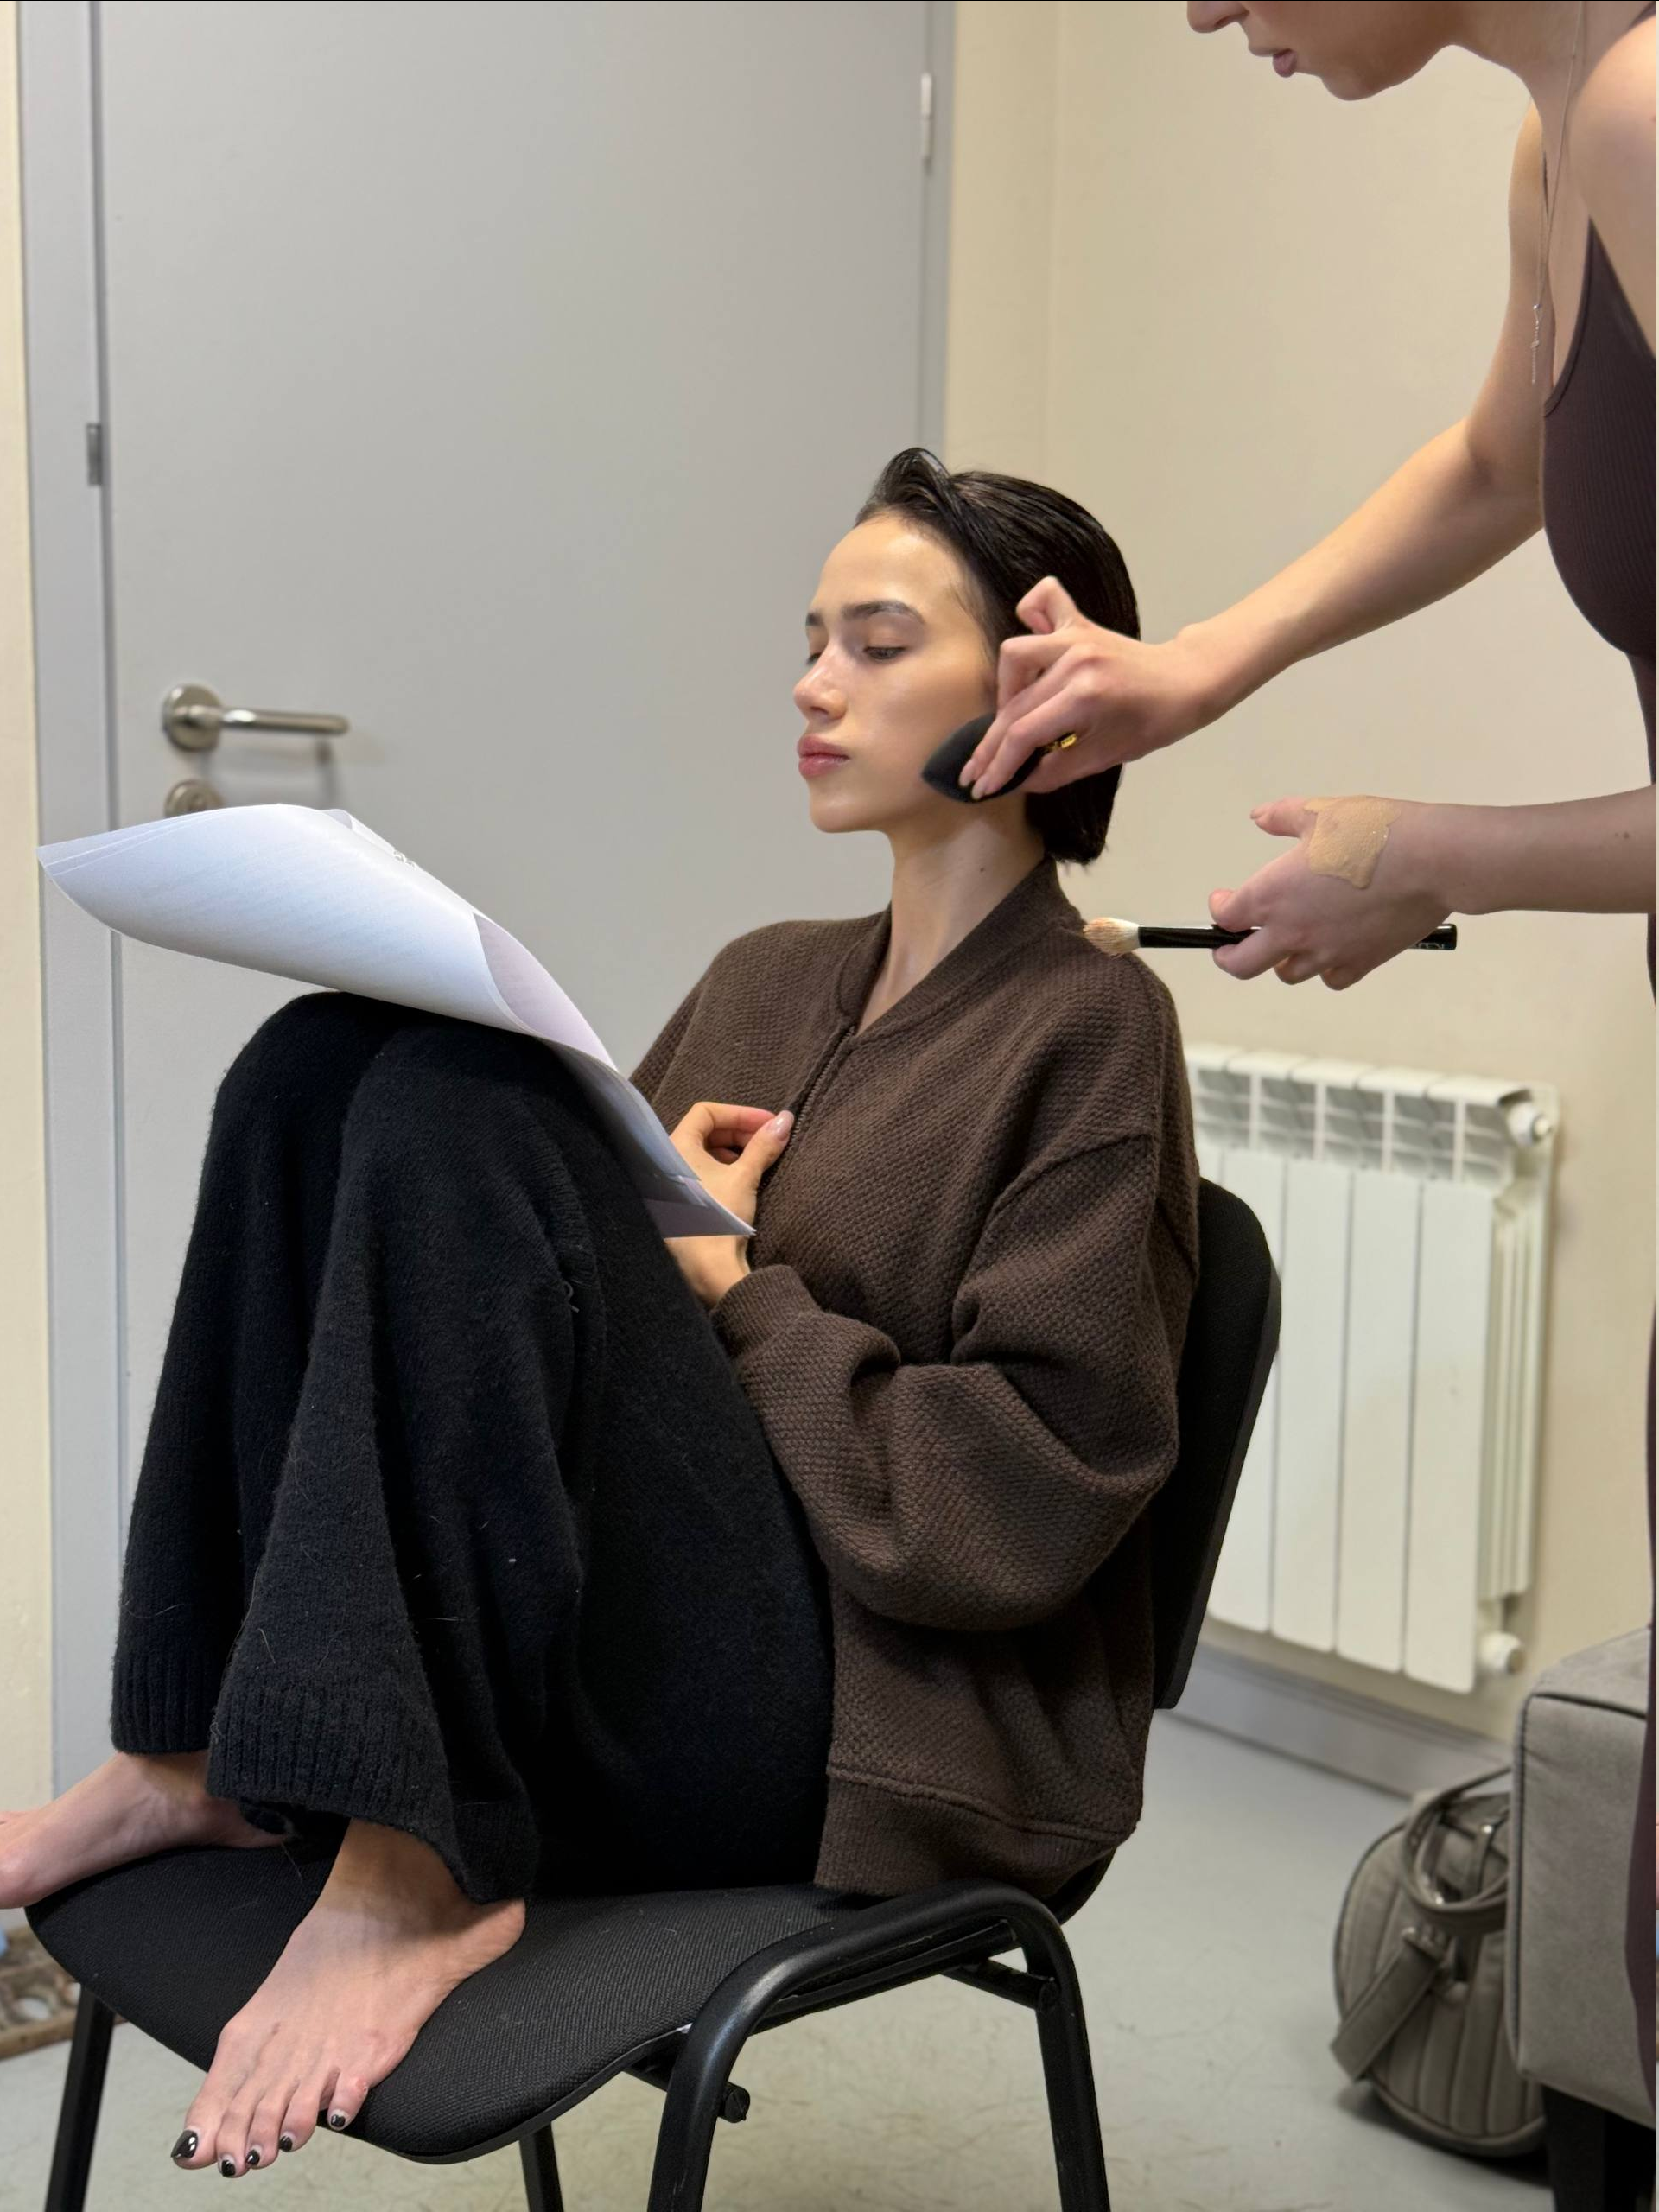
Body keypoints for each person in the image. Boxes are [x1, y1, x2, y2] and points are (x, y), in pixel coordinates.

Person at [0, 451, 1197, 2180]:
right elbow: (524, 1314)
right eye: (812, 641)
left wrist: (739, 1285)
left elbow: (1003, 1509)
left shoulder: (1090, 1031)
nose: (815, 684)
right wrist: (661, 1234)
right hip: (659, 1641)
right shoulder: (771, 972)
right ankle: (190, 1748)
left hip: (875, 1712)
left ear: (1042, 700)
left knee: (461, 1102)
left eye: (876, 643)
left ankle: (418, 1869)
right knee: (319, 1060)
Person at [955, 0, 1656, 2081]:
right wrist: (1197, 669)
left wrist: (1432, 859)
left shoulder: (1649, 108)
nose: (1197, 7)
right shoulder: (1563, 134)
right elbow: (1496, 464)